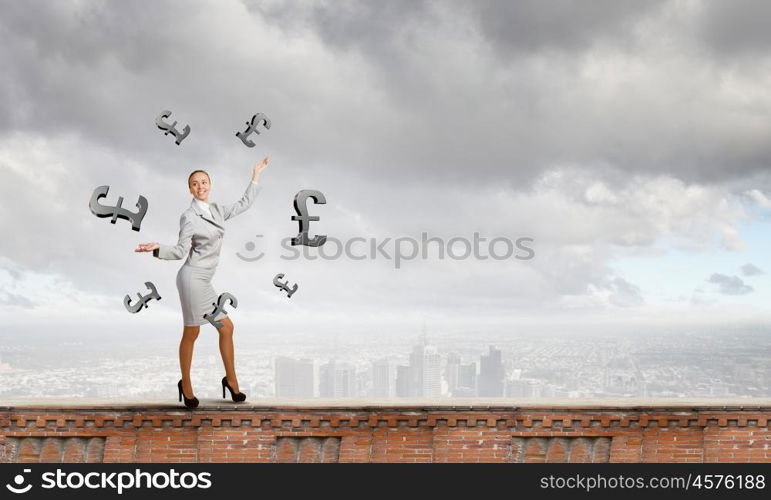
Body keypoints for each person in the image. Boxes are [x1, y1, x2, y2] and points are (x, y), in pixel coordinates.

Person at [135, 158, 269, 408]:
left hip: (206, 280)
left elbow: (244, 204)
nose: (201, 187)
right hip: (191, 279)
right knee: (192, 332)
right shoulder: (189, 217)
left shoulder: (217, 210)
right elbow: (178, 251)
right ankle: (185, 384)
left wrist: (256, 175)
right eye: (195, 184)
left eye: (204, 182)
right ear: (190, 189)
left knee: (226, 328)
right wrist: (157, 248)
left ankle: (231, 381)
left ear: (210, 185)